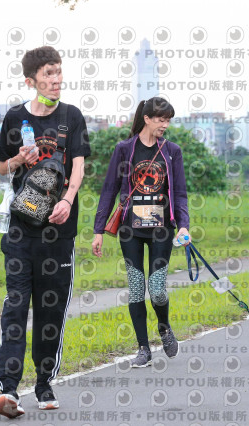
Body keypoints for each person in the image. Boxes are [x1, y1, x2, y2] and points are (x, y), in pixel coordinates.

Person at [0, 46, 91, 418]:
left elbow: (78, 166)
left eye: (58, 72)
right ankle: (9, 389)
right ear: (31, 81)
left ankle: (44, 382)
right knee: (16, 306)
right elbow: (2, 167)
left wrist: (67, 200)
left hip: (58, 233)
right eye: (48, 74)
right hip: (21, 230)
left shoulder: (72, 116)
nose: (56, 80)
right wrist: (20, 158)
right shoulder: (15, 117)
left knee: (51, 309)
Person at [92, 97, 190, 367]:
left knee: (157, 289)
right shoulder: (124, 149)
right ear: (147, 118)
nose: (165, 125)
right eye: (161, 119)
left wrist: (184, 225)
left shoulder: (172, 151)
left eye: (168, 120)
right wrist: (98, 230)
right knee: (136, 289)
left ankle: (164, 327)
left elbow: (180, 193)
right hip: (130, 230)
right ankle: (143, 348)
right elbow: (109, 190)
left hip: (162, 229)